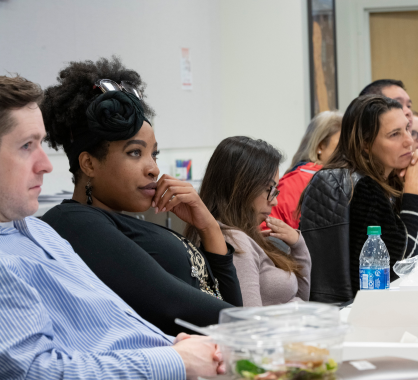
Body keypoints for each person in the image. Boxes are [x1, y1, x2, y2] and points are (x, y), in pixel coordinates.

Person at [0, 74, 223, 379]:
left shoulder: (39, 232)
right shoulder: (66, 226)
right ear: (89, 164)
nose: (46, 164)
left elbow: (115, 326)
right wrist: (177, 360)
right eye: (26, 145)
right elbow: (33, 371)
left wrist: (175, 348)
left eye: (40, 143)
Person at [40, 57, 242, 337]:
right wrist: (268, 327)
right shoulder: (73, 222)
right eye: (135, 152)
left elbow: (228, 305)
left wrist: (208, 226)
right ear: (89, 165)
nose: (154, 169)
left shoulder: (119, 222)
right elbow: (171, 302)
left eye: (153, 154)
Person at [300, 95, 418, 303]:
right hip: (348, 313)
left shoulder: (381, 180)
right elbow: (398, 268)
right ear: (365, 144)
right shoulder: (361, 187)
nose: (410, 141)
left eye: (407, 129)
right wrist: (414, 191)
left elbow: (417, 249)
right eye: (394, 134)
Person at [187, 136, 311, 307]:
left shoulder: (243, 236)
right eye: (269, 189)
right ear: (241, 188)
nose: (274, 201)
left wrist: (298, 244)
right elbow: (251, 324)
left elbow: (302, 299)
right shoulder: (235, 240)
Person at [269, 110, 341, 228]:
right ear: (320, 145)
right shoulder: (295, 183)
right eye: (342, 144)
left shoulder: (290, 181)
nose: (348, 152)